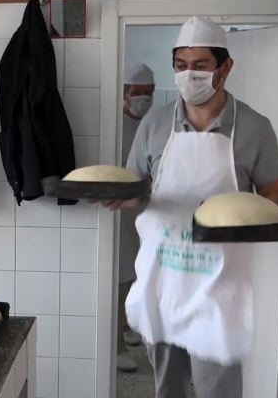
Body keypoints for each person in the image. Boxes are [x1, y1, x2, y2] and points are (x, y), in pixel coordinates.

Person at [104, 16, 278, 398]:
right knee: (168, 388)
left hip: (218, 289)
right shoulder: (154, 124)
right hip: (162, 281)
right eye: (181, 65)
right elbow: (139, 189)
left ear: (225, 67)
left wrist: (241, 220)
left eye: (200, 65)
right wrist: (120, 196)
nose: (189, 75)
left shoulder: (255, 128)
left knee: (217, 391)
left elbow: (275, 199)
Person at [117, 63, 155, 373]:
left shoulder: (155, 125)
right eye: (138, 93)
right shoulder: (113, 125)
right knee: (120, 273)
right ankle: (115, 346)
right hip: (120, 211)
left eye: (149, 94)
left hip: (149, 209)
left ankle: (129, 327)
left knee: (139, 273)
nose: (144, 99)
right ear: (125, 94)